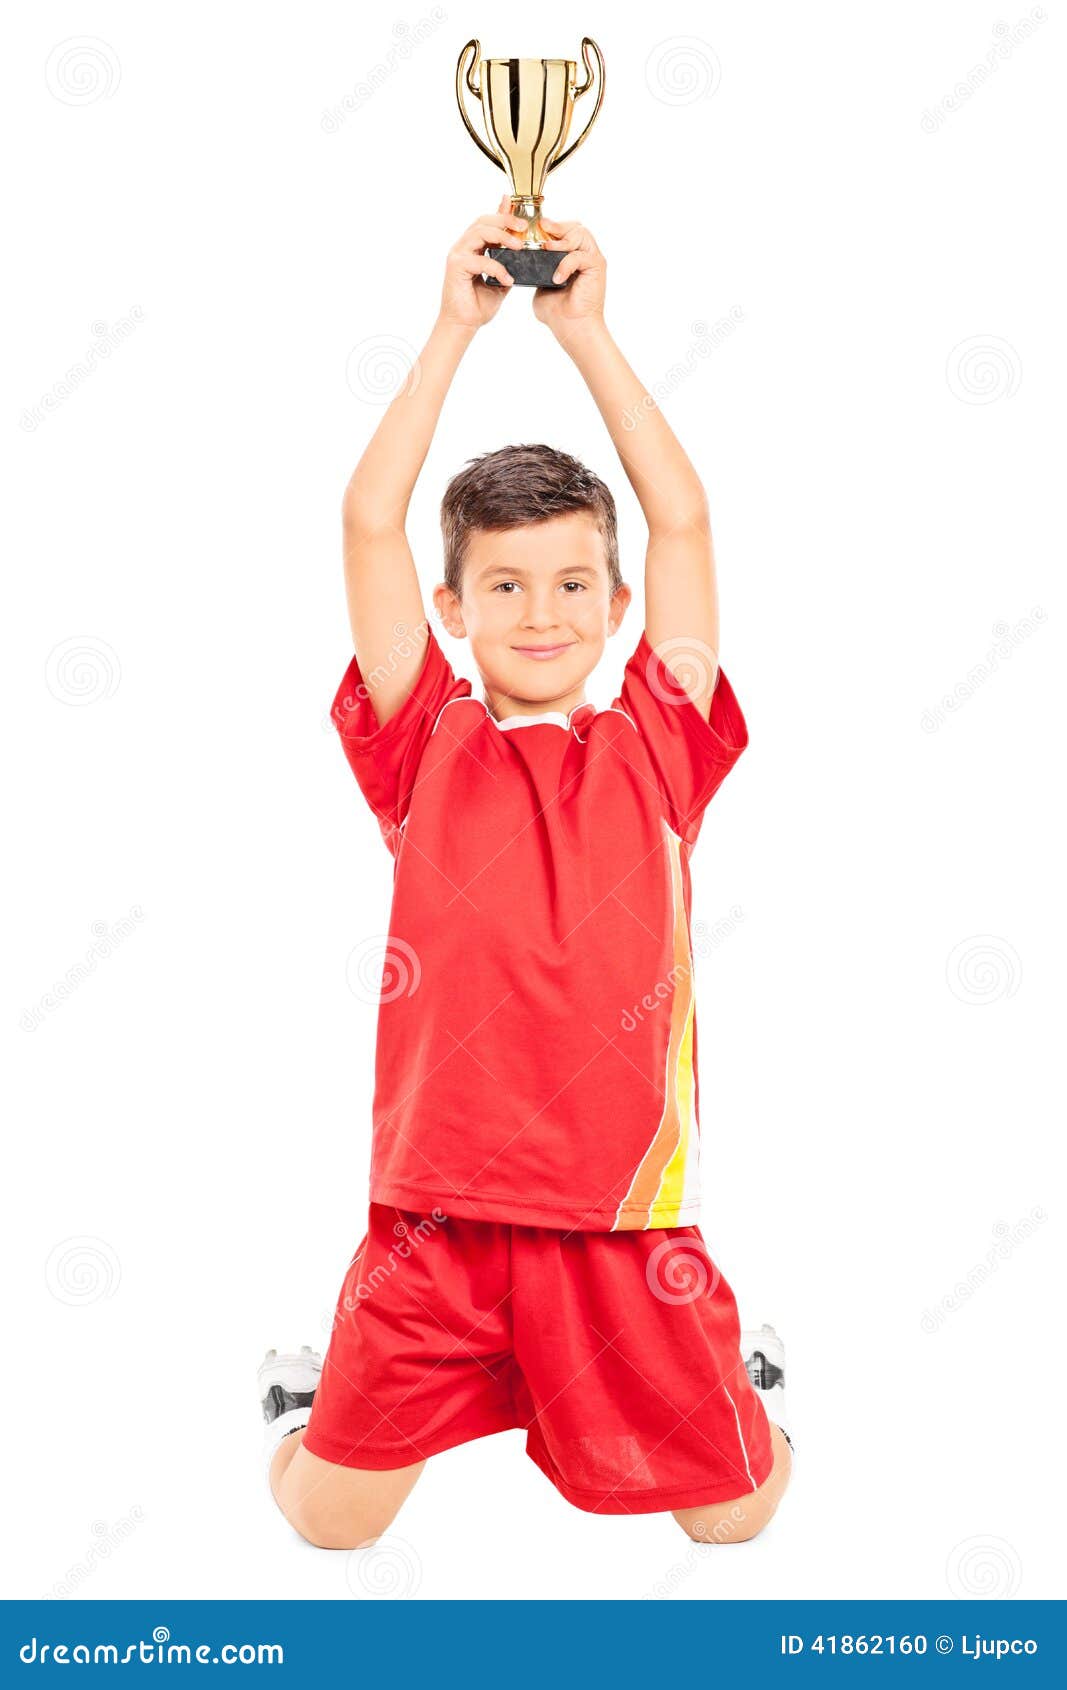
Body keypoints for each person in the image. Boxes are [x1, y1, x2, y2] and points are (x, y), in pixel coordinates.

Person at [259, 198, 793, 1549]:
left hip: (619, 1224)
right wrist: (454, 329)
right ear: (456, 609)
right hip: (432, 1218)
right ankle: (302, 1401)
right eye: (503, 586)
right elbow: (371, 523)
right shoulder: (423, 741)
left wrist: (587, 335)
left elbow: (682, 523)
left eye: (570, 585)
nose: (540, 612)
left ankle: (755, 1383)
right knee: (329, 1524)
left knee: (729, 1527)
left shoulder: (660, 748)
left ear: (614, 609)